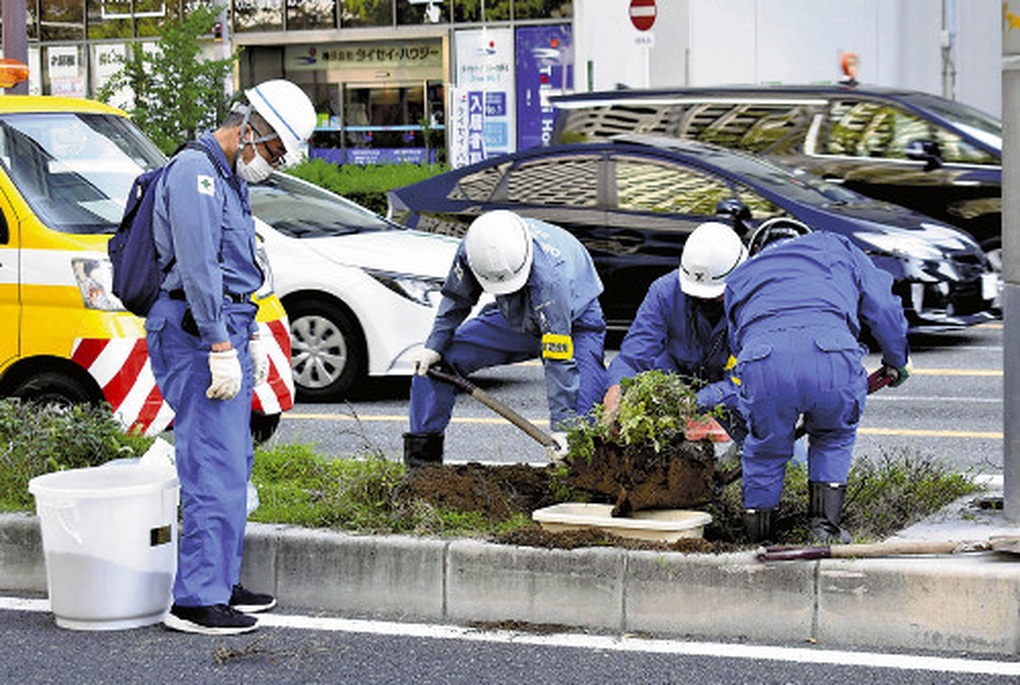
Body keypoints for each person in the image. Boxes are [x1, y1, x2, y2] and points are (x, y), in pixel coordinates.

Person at [146, 80, 316, 635]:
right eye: (273, 150)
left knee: (234, 460)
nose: (273, 162)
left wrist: (253, 335)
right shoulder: (195, 174)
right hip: (199, 334)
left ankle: (220, 580)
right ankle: (195, 599)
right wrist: (222, 343)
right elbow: (198, 268)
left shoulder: (227, 176)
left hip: (227, 328)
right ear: (250, 129)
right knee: (211, 466)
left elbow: (240, 265)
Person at [724, 219, 910, 544]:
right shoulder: (834, 246)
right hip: (832, 356)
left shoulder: (740, 276)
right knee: (833, 437)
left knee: (765, 448)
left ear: (756, 249)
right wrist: (896, 359)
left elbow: (737, 341)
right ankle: (823, 530)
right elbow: (883, 307)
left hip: (762, 363)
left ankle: (758, 539)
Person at [405, 210, 607, 466]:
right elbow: (456, 298)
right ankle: (421, 469)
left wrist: (563, 426)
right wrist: (434, 345)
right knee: (435, 366)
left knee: (582, 419)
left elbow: (558, 358)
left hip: (575, 323)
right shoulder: (475, 248)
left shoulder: (551, 278)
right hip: (514, 315)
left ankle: (583, 487)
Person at [602, 221, 747, 445]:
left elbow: (751, 378)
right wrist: (617, 388)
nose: (705, 299)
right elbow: (636, 354)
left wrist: (700, 403)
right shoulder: (664, 292)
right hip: (676, 387)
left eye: (714, 295)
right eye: (698, 294)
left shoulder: (754, 303)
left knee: (781, 456)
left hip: (731, 393)